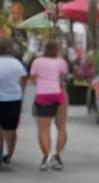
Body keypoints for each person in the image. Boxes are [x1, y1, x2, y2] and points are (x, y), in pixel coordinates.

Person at [29, 39, 69, 171]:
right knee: (61, 127)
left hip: (43, 95)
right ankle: (58, 157)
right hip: (59, 94)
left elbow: (33, 79)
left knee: (43, 129)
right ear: (57, 50)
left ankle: (47, 157)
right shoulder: (61, 62)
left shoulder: (37, 61)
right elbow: (64, 75)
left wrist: (41, 82)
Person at [0, 40, 27, 167]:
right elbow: (23, 80)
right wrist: (21, 94)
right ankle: (9, 154)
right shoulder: (17, 64)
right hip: (13, 99)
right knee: (11, 129)